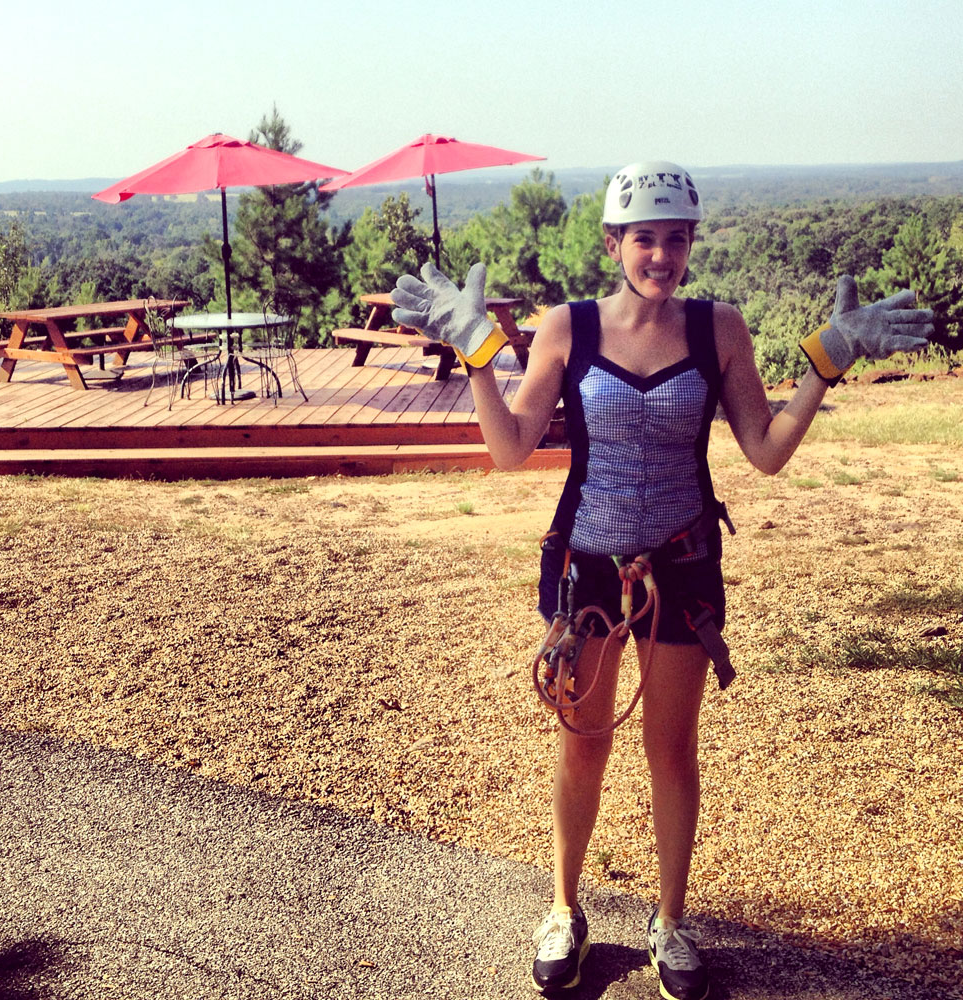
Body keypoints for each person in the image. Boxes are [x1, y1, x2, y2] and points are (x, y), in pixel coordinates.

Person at [391, 160, 934, 1000]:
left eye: (675, 239)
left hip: (682, 568)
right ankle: (565, 911)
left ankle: (671, 920)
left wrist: (825, 363)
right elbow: (508, 451)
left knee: (671, 752)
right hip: (588, 572)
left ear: (690, 244)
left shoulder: (720, 328)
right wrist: (478, 355)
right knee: (582, 749)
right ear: (614, 242)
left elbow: (765, 449)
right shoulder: (565, 329)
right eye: (644, 237)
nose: (661, 255)